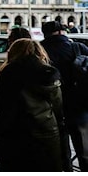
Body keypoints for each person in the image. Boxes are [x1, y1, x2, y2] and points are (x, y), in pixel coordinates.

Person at [0, 38, 69, 171]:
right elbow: (60, 117)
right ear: (40, 54)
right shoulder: (50, 76)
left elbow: (5, 118)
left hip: (18, 143)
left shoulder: (9, 76)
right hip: (49, 141)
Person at [41, 20, 88, 171]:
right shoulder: (77, 48)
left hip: (52, 107)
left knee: (60, 149)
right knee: (83, 149)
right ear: (62, 32)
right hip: (79, 105)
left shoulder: (40, 50)